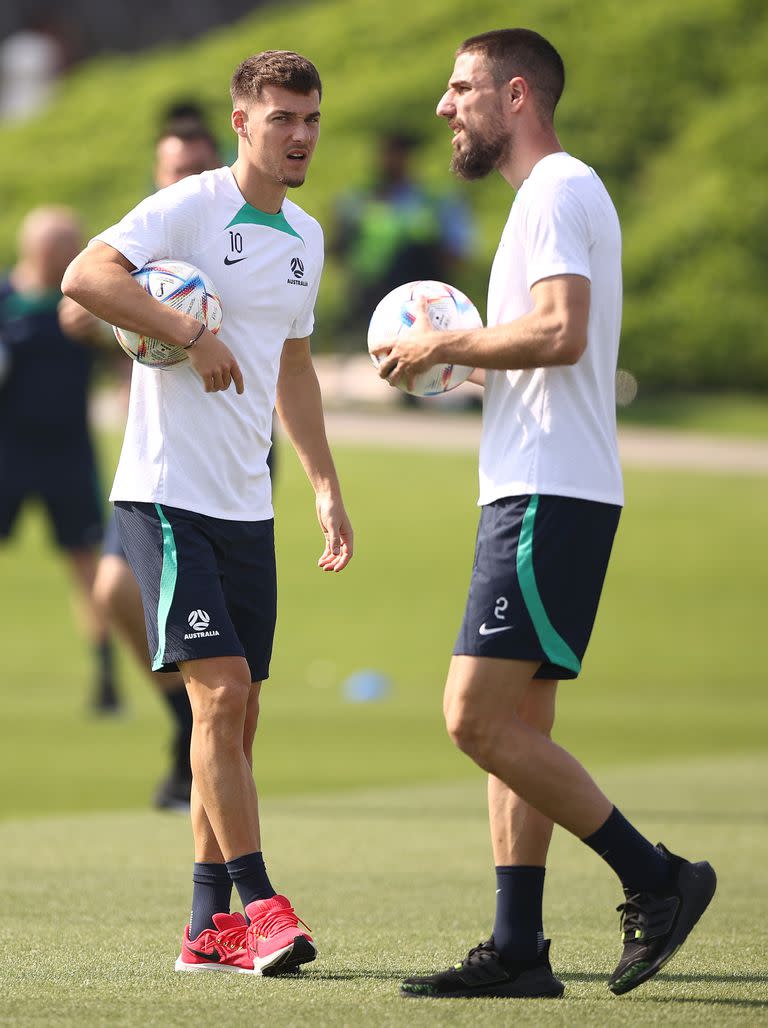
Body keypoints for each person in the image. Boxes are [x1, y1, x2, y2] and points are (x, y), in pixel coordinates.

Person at [372, 29, 716, 1000]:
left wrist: (455, 341)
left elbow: (562, 333)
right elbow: (548, 342)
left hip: (546, 492)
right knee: (520, 719)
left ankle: (658, 877)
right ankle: (518, 945)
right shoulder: (546, 199)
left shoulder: (560, 188)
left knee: (472, 718)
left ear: (516, 95)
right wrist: (459, 357)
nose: (446, 105)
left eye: (461, 86)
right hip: (544, 485)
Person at [62, 50, 353, 976]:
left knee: (233, 721)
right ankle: (263, 909)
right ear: (243, 122)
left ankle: (205, 928)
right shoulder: (189, 205)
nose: (300, 135)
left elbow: (295, 369)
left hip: (245, 506)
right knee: (219, 698)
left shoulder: (304, 234)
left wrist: (321, 481)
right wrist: (191, 331)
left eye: (311, 118)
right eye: (282, 119)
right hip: (166, 496)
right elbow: (84, 276)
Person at [90, 119, 223, 811]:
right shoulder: (149, 238)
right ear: (158, 174)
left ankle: (203, 759)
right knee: (113, 591)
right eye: (175, 170)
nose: (187, 181)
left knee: (223, 660)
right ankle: (185, 729)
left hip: (230, 455)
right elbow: (83, 293)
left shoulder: (229, 233)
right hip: (157, 456)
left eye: (199, 167)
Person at [0, 206, 119, 712]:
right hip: (7, 451)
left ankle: (106, 676)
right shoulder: (5, 300)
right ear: (33, 247)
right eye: (58, 244)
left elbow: (129, 355)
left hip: (69, 452)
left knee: (87, 565)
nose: (66, 253)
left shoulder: (86, 302)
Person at [332, 129, 473, 347]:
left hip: (424, 303)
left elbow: (457, 254)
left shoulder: (435, 202)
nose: (392, 160)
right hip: (369, 303)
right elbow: (338, 250)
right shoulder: (357, 202)